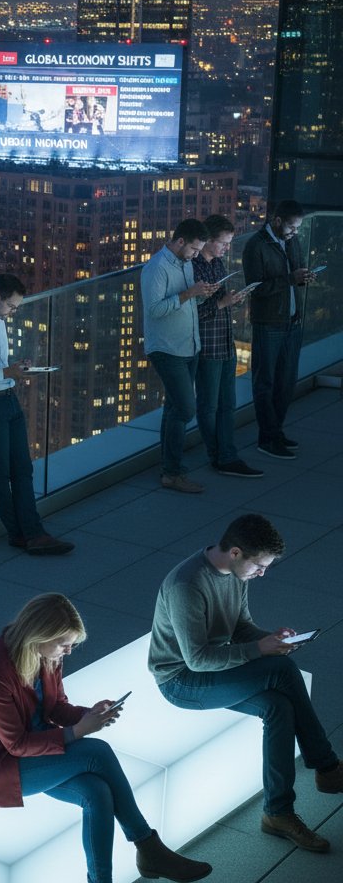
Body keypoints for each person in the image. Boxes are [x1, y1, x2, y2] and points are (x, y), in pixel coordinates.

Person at [0, 594, 212, 883]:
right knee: (97, 752)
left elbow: (56, 707)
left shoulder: (47, 654)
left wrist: (88, 714)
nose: (69, 651)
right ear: (38, 635)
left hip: (38, 748)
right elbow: (16, 744)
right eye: (64, 643)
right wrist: (81, 730)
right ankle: (148, 847)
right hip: (1, 767)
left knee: (97, 792)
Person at [150, 513, 343, 853]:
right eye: (259, 566)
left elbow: (240, 627)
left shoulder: (237, 574)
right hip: (181, 680)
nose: (262, 573)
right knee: (282, 670)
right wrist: (261, 650)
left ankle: (278, 813)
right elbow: (196, 659)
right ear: (236, 553)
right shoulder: (187, 585)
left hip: (211, 669)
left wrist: (270, 638)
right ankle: (327, 766)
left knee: (279, 706)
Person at [0, 273, 73, 555]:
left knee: (23, 469)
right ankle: (21, 534)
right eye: (12, 306)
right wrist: (7, 372)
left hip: (6, 398)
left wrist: (15, 369)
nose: (14, 311)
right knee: (0, 473)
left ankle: (33, 532)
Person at [141, 219, 217, 494]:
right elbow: (154, 310)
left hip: (189, 345)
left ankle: (169, 470)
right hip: (166, 349)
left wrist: (201, 295)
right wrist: (189, 293)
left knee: (174, 408)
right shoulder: (157, 268)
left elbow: (184, 303)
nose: (197, 255)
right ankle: (173, 471)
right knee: (185, 409)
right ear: (180, 241)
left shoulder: (184, 263)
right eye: (195, 250)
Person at [191, 214, 262, 478]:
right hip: (207, 346)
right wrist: (222, 303)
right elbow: (189, 313)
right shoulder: (193, 268)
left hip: (225, 343)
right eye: (223, 242)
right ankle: (219, 455)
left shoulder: (218, 265)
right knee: (208, 406)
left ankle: (227, 454)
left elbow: (221, 300)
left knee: (227, 404)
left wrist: (237, 299)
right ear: (208, 240)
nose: (226, 247)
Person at [242, 200, 313, 460]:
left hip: (292, 320)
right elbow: (256, 288)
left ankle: (276, 431)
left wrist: (303, 278)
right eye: (292, 228)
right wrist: (290, 280)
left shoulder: (290, 240)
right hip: (268, 323)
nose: (295, 233)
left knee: (286, 381)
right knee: (266, 382)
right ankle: (267, 437)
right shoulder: (255, 246)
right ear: (278, 221)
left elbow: (296, 271)